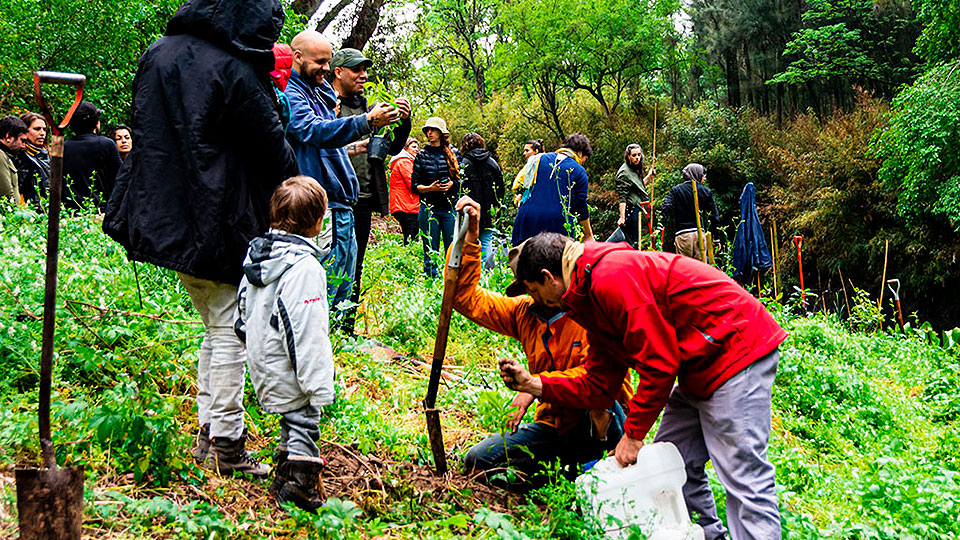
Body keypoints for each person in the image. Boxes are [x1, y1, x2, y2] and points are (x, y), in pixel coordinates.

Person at [103, 0, 300, 477]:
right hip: (219, 217)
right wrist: (300, 191)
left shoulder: (159, 53)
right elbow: (271, 145)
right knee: (231, 326)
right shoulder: (234, 67)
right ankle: (227, 444)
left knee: (216, 326)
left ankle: (210, 433)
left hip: (170, 214)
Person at [499, 232, 787, 540]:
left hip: (735, 348)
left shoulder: (611, 277)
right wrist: (534, 384)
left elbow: (659, 363)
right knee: (674, 462)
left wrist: (633, 436)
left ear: (548, 278)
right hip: (696, 363)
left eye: (534, 290)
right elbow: (599, 384)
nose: (536, 301)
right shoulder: (589, 297)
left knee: (744, 474)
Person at [452, 197, 632, 486]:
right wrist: (471, 239)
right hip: (554, 425)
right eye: (527, 289)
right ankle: (563, 474)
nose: (530, 294)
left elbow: (597, 380)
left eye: (533, 288)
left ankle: (597, 467)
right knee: (479, 460)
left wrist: (533, 386)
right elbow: (467, 300)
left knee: (600, 402)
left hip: (601, 421)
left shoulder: (591, 309)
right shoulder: (524, 311)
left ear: (550, 279)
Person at [284, 30, 399, 319]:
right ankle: (324, 342)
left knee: (344, 283)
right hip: (324, 205)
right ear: (297, 57)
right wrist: (365, 121)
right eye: (320, 62)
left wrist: (357, 146)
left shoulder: (314, 90)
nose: (326, 67)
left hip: (342, 204)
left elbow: (325, 143)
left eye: (328, 61)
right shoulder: (293, 93)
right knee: (326, 283)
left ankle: (340, 345)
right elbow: (311, 131)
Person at [236, 175, 334, 512]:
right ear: (318, 222)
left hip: (263, 358)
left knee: (290, 418)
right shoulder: (304, 268)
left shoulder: (258, 257)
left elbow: (241, 311)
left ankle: (282, 473)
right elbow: (306, 330)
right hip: (290, 363)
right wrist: (318, 382)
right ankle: (301, 486)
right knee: (304, 419)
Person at [329, 47, 412, 335]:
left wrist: (403, 121)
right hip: (332, 198)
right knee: (330, 263)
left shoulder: (369, 108)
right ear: (338, 72)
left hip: (362, 198)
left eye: (365, 69)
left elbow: (389, 147)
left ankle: (345, 330)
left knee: (355, 265)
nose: (364, 75)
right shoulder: (327, 105)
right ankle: (324, 325)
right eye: (356, 70)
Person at [511, 133, 594, 246]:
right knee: (551, 261)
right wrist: (588, 235)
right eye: (584, 159)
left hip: (526, 220)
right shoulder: (579, 171)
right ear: (580, 153)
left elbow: (519, 184)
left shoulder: (537, 159)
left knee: (524, 261)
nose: (583, 162)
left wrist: (519, 197)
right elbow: (580, 207)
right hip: (556, 227)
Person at [411, 116, 459, 277]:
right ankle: (431, 281)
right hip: (428, 208)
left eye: (433, 130)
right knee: (430, 249)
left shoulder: (453, 154)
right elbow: (414, 185)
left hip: (449, 208)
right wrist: (430, 188)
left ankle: (451, 281)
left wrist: (452, 184)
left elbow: (464, 181)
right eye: (427, 130)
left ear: (440, 132)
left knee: (451, 248)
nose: (429, 133)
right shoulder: (421, 155)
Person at [63, 101, 122, 211]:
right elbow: (121, 178)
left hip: (69, 212)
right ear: (96, 123)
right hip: (101, 211)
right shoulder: (106, 145)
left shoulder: (63, 147)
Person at [459, 133, 505, 269]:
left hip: (470, 209)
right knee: (486, 240)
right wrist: (497, 206)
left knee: (469, 241)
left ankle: (471, 270)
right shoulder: (492, 163)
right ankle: (487, 271)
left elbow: (460, 188)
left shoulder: (464, 164)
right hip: (489, 210)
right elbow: (501, 187)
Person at [661, 163, 720, 260]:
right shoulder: (705, 191)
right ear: (698, 174)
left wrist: (660, 225)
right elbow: (714, 216)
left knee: (685, 269)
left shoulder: (676, 190)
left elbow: (666, 207)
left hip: (683, 235)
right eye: (703, 175)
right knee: (700, 269)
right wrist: (716, 237)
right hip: (699, 236)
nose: (704, 178)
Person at [616, 143, 655, 247]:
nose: (637, 158)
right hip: (630, 212)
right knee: (633, 244)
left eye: (639, 154)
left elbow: (639, 186)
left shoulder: (634, 169)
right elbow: (622, 197)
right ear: (628, 156)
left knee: (637, 243)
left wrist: (649, 176)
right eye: (634, 155)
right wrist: (622, 217)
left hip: (638, 211)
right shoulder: (624, 173)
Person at [389, 137, 420, 244]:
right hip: (405, 205)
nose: (416, 150)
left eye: (417, 147)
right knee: (411, 235)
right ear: (405, 148)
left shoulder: (404, 161)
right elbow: (413, 183)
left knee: (411, 233)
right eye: (413, 147)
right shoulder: (404, 162)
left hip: (405, 204)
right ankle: (410, 256)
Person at [18, 112, 50, 210]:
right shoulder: (21, 157)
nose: (42, 133)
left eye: (44, 129)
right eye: (37, 129)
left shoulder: (45, 154)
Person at [0, 115, 26, 206]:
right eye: (22, 141)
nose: (24, 146)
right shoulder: (1, 155)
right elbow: (6, 194)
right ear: (8, 137)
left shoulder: (5, 155)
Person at [512, 138, 544, 206]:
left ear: (536, 151)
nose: (524, 153)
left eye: (527, 150)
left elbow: (517, 184)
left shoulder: (531, 167)